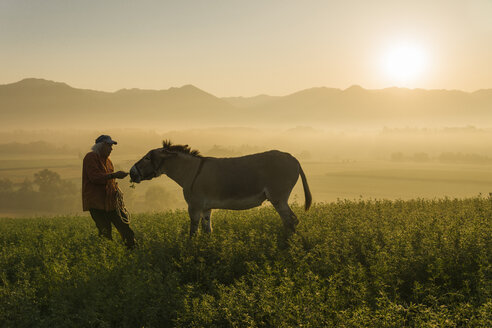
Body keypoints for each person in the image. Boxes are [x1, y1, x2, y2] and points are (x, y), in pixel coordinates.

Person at [82, 135, 136, 248]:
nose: (111, 149)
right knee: (105, 234)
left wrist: (116, 190)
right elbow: (94, 177)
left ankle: (132, 251)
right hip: (97, 203)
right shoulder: (90, 157)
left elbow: (109, 180)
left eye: (111, 146)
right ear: (101, 146)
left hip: (111, 202)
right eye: (109, 145)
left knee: (125, 228)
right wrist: (115, 175)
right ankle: (107, 257)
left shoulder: (108, 161)